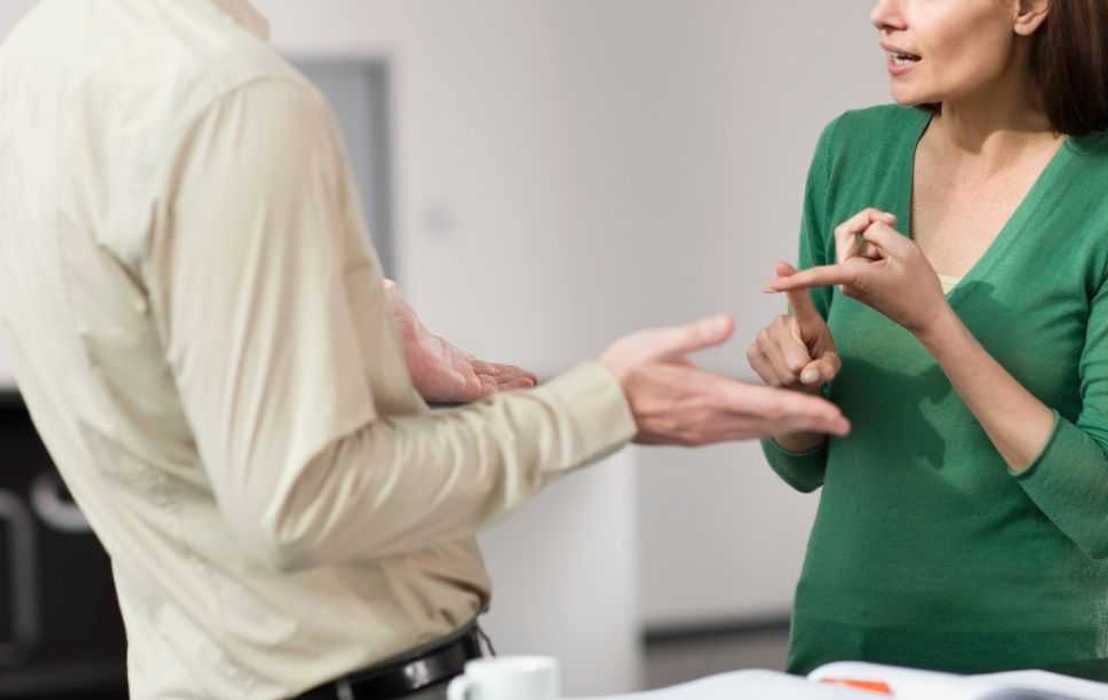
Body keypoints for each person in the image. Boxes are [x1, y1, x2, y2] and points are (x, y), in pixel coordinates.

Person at [0, 1, 852, 698]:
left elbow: (134, 332)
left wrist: (341, 316)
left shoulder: (37, 60)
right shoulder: (232, 97)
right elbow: (303, 501)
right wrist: (601, 405)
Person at [748, 0, 1108, 675]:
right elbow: (802, 467)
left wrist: (934, 322)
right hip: (837, 658)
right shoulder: (850, 149)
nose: (882, 14)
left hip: (1028, 671)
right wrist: (789, 397)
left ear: (1025, 9)